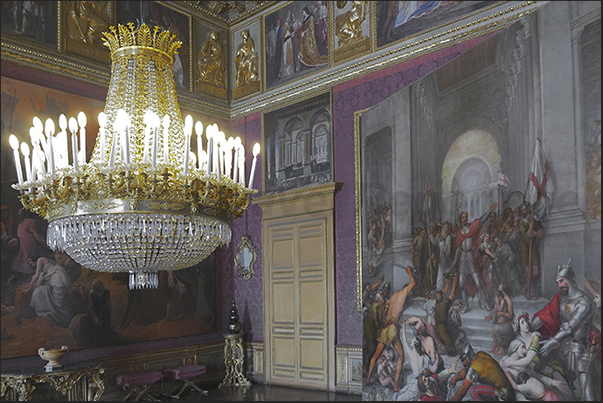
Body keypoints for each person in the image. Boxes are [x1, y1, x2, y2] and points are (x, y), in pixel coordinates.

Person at [533, 259, 596, 400]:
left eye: (562, 281)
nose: (560, 285)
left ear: (570, 279)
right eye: (558, 282)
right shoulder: (562, 299)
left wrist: (552, 343)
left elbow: (569, 328)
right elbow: (548, 314)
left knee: (586, 393)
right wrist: (531, 327)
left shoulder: (583, 302)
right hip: (564, 352)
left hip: (580, 353)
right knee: (566, 391)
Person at [500, 312, 575, 399]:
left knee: (564, 389)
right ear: (518, 327)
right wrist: (504, 360)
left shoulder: (535, 336)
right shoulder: (518, 341)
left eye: (526, 321)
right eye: (522, 322)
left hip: (550, 367)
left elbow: (528, 360)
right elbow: (511, 354)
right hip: (535, 371)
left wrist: (510, 363)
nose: (526, 324)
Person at [366, 266, 416, 392]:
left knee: (375, 356)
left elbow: (383, 313)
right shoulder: (404, 293)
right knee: (401, 356)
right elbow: (413, 283)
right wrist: (409, 272)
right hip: (393, 329)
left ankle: (367, 380)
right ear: (407, 290)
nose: (410, 294)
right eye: (411, 293)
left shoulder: (392, 297)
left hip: (385, 328)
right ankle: (395, 386)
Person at [452, 202, 497, 313]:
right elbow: (458, 247)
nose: (465, 218)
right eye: (463, 217)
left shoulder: (471, 228)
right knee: (461, 284)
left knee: (478, 282)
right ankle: (466, 306)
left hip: (471, 258)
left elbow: (481, 221)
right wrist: (455, 260)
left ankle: (486, 303)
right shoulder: (459, 232)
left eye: (466, 216)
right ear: (460, 219)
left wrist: (489, 211)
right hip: (462, 259)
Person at [448, 343, 515, 401]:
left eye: (463, 359)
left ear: (467, 357)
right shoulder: (481, 354)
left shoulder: (475, 368)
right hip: (508, 390)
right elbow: (466, 371)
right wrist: (455, 378)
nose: (462, 363)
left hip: (504, 395)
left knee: (474, 390)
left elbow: (463, 390)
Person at [518, 202, 544, 300]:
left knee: (536, 271)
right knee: (528, 272)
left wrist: (536, 233)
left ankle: (525, 287)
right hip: (525, 249)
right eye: (522, 210)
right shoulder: (522, 222)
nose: (523, 212)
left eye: (524, 209)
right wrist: (530, 229)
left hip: (533, 248)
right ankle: (530, 293)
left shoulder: (534, 220)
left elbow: (541, 232)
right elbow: (525, 238)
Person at [485, 284, 514, 355]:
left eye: (500, 286)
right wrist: (490, 316)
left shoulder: (507, 300)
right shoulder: (500, 298)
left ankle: (501, 348)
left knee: (496, 328)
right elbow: (495, 309)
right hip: (499, 321)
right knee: (493, 331)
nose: (498, 286)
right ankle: (496, 347)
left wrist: (501, 313)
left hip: (507, 324)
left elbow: (510, 315)